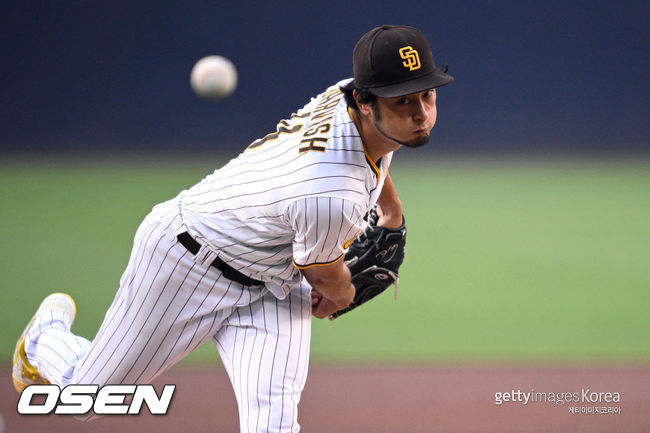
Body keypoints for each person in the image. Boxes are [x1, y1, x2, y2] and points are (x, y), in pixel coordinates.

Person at [12, 24, 453, 432]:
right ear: (365, 100)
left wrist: (391, 211)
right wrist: (342, 295)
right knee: (87, 399)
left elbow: (376, 161)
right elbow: (326, 280)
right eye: (403, 101)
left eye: (426, 96)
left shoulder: (350, 97)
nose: (420, 113)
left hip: (272, 280)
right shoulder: (329, 191)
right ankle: (43, 338)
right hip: (187, 261)